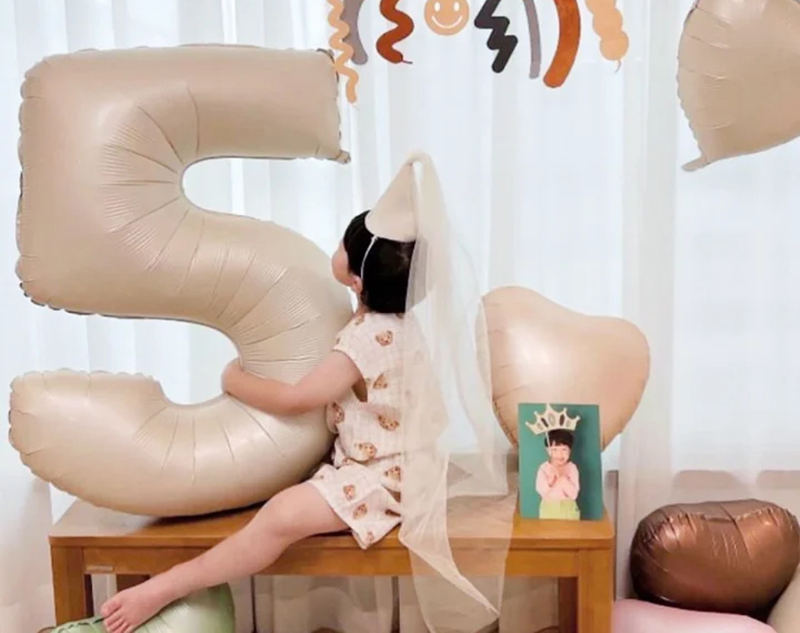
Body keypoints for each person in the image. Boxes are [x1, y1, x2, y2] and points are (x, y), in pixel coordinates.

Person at [101, 152, 514, 633]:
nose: (335, 247)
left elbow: (298, 398)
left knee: (277, 518)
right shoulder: (400, 325)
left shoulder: (367, 339)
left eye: (344, 244)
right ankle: (169, 584)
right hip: (399, 466)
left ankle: (165, 587)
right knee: (277, 509)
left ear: (356, 278)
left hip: (383, 478)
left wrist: (234, 379)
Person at [535, 429, 581, 520]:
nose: (559, 454)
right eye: (554, 449)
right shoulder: (544, 468)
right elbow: (540, 490)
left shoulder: (572, 468)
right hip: (549, 509)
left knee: (570, 529)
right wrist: (550, 482)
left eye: (564, 449)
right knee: (549, 529)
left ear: (570, 450)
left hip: (568, 509)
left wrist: (563, 479)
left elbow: (574, 494)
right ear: (548, 451)